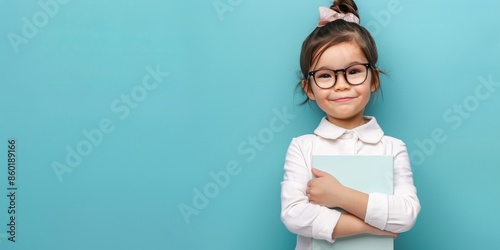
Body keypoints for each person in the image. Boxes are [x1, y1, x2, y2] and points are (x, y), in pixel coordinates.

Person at [280, 0, 421, 249]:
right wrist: (367, 227)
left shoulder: (392, 147)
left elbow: (406, 214)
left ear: (373, 79)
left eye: (354, 71)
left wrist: (340, 195)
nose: (341, 84)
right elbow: (293, 214)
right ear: (309, 89)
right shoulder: (303, 147)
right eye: (325, 75)